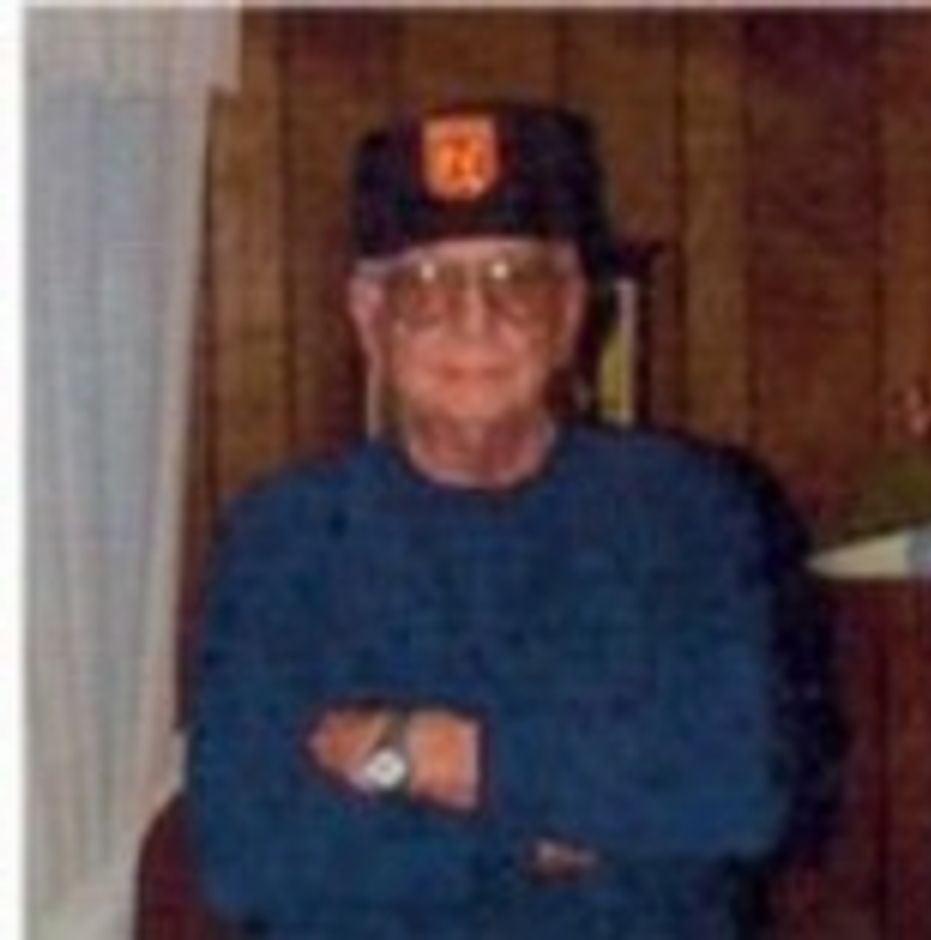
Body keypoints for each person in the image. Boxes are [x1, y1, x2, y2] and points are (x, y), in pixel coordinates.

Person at [187, 101, 840, 939]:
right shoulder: (285, 537)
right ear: (369, 319)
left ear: (570, 312)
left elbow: (739, 797)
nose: (474, 321)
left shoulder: (688, 511)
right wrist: (550, 826)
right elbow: (247, 858)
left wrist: (431, 753)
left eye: (513, 281)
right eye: (426, 288)